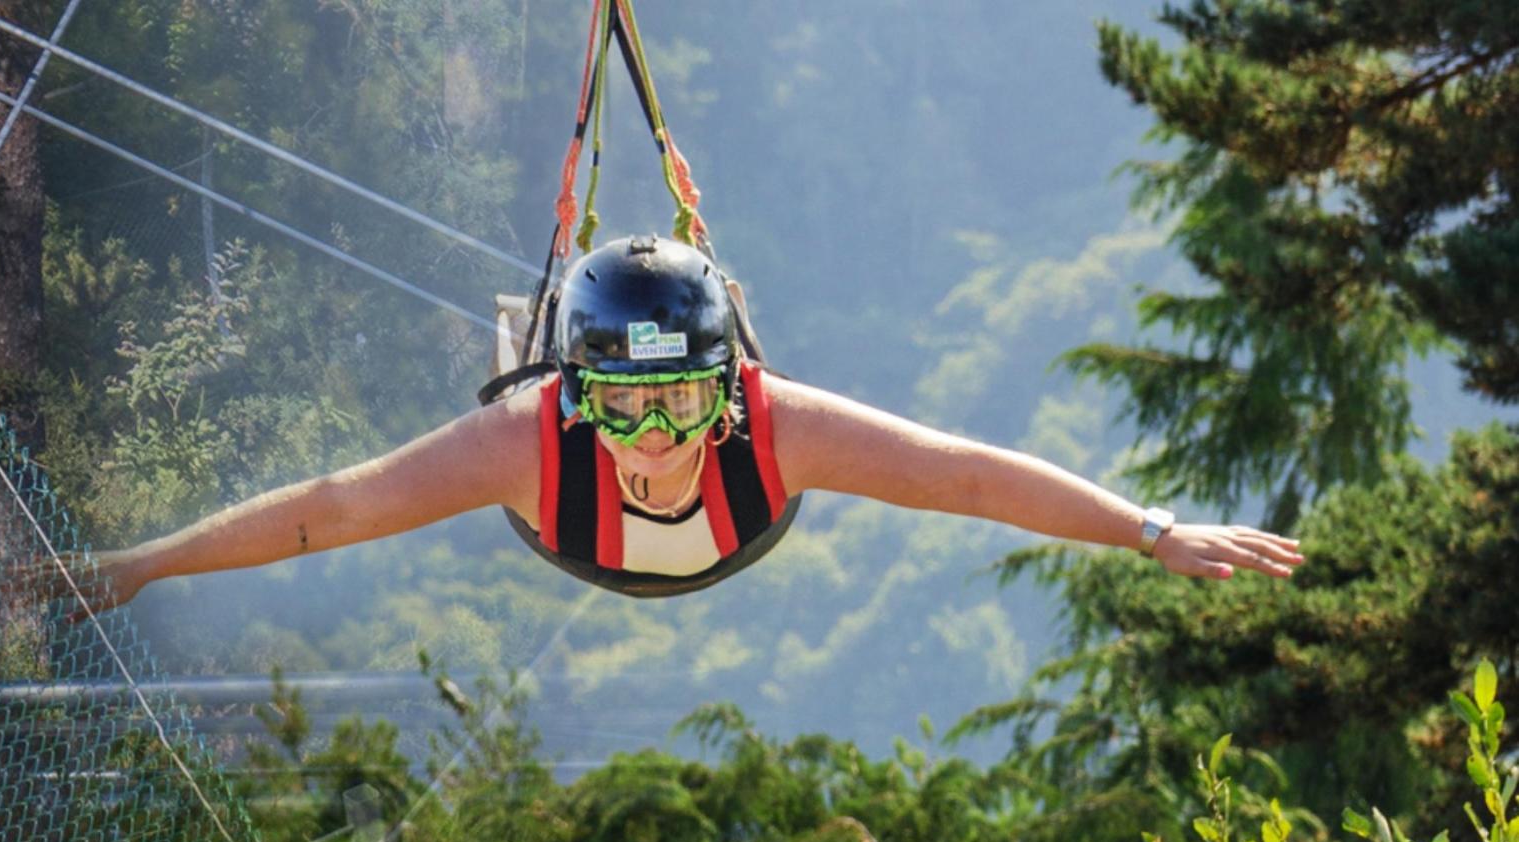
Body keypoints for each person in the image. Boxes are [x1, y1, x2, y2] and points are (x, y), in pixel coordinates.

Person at [77, 235, 1302, 614]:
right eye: (623, 398)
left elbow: (968, 479)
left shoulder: (773, 426)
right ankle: (548, 316)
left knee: (710, 418)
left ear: (725, 380)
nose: (657, 428)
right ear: (580, 390)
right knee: (514, 389)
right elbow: (326, 514)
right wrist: (140, 568)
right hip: (571, 531)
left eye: (681, 392)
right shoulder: (528, 438)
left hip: (736, 529)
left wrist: (1147, 530)